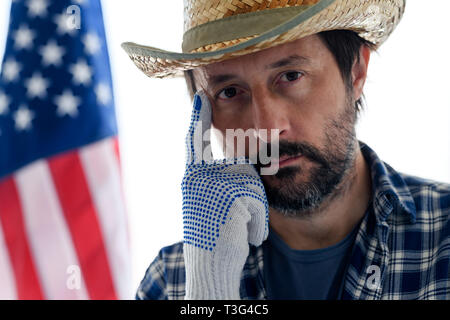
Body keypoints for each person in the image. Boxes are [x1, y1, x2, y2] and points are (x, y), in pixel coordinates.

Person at [122, 0, 450, 300]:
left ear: (356, 72)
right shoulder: (172, 282)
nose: (265, 126)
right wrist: (211, 290)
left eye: (291, 76)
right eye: (230, 91)